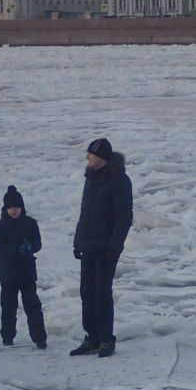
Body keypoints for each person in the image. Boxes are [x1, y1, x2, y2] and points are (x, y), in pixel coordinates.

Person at [70, 138, 133, 358]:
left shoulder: (119, 181)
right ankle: (92, 338)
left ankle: (106, 339)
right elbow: (84, 212)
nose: (87, 157)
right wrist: (78, 240)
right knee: (86, 293)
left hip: (106, 248)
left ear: (102, 157)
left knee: (101, 294)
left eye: (91, 154)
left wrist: (114, 246)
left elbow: (124, 217)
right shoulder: (90, 178)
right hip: (88, 245)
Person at [0, 185, 47, 349]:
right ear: (6, 208)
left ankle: (39, 337)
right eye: (10, 207)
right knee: (8, 307)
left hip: (27, 272)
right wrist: (15, 250)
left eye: (16, 207)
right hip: (8, 273)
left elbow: (38, 243)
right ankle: (7, 336)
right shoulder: (1, 226)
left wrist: (30, 247)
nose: (13, 210)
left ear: (21, 207)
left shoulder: (30, 223)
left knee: (32, 306)